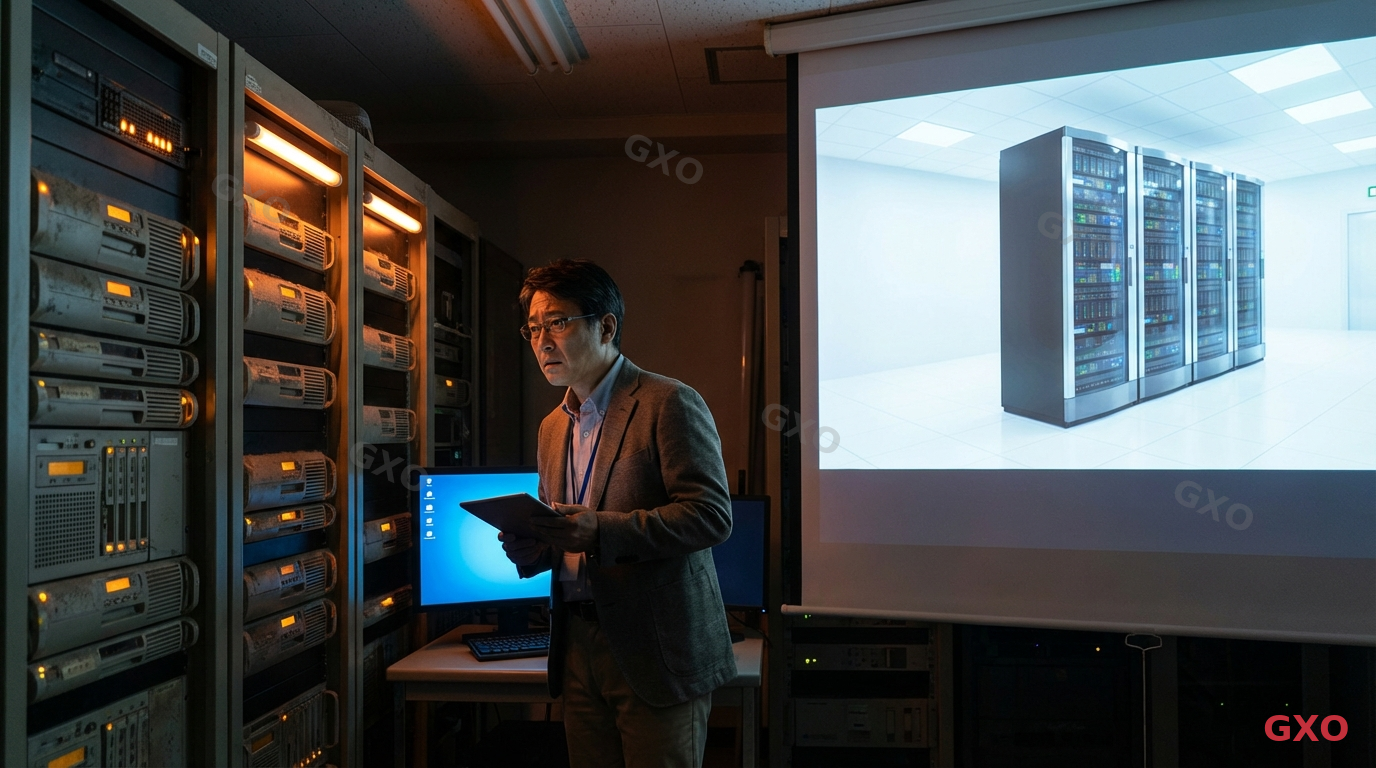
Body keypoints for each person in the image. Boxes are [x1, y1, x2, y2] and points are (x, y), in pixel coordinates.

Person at [499, 258, 736, 768]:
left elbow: (711, 515)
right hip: (576, 644)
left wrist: (598, 530)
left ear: (606, 326)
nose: (542, 341)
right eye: (534, 328)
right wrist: (533, 543)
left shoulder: (668, 402)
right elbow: (567, 533)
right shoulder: (551, 428)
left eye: (558, 322)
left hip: (655, 648)